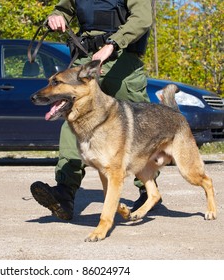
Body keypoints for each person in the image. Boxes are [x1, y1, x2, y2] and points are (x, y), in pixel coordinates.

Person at [30, 0, 160, 221]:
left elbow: (142, 18)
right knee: (73, 120)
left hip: (121, 61)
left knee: (138, 126)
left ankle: (147, 190)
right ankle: (64, 192)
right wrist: (56, 16)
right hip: (85, 61)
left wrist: (112, 44)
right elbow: (64, 9)